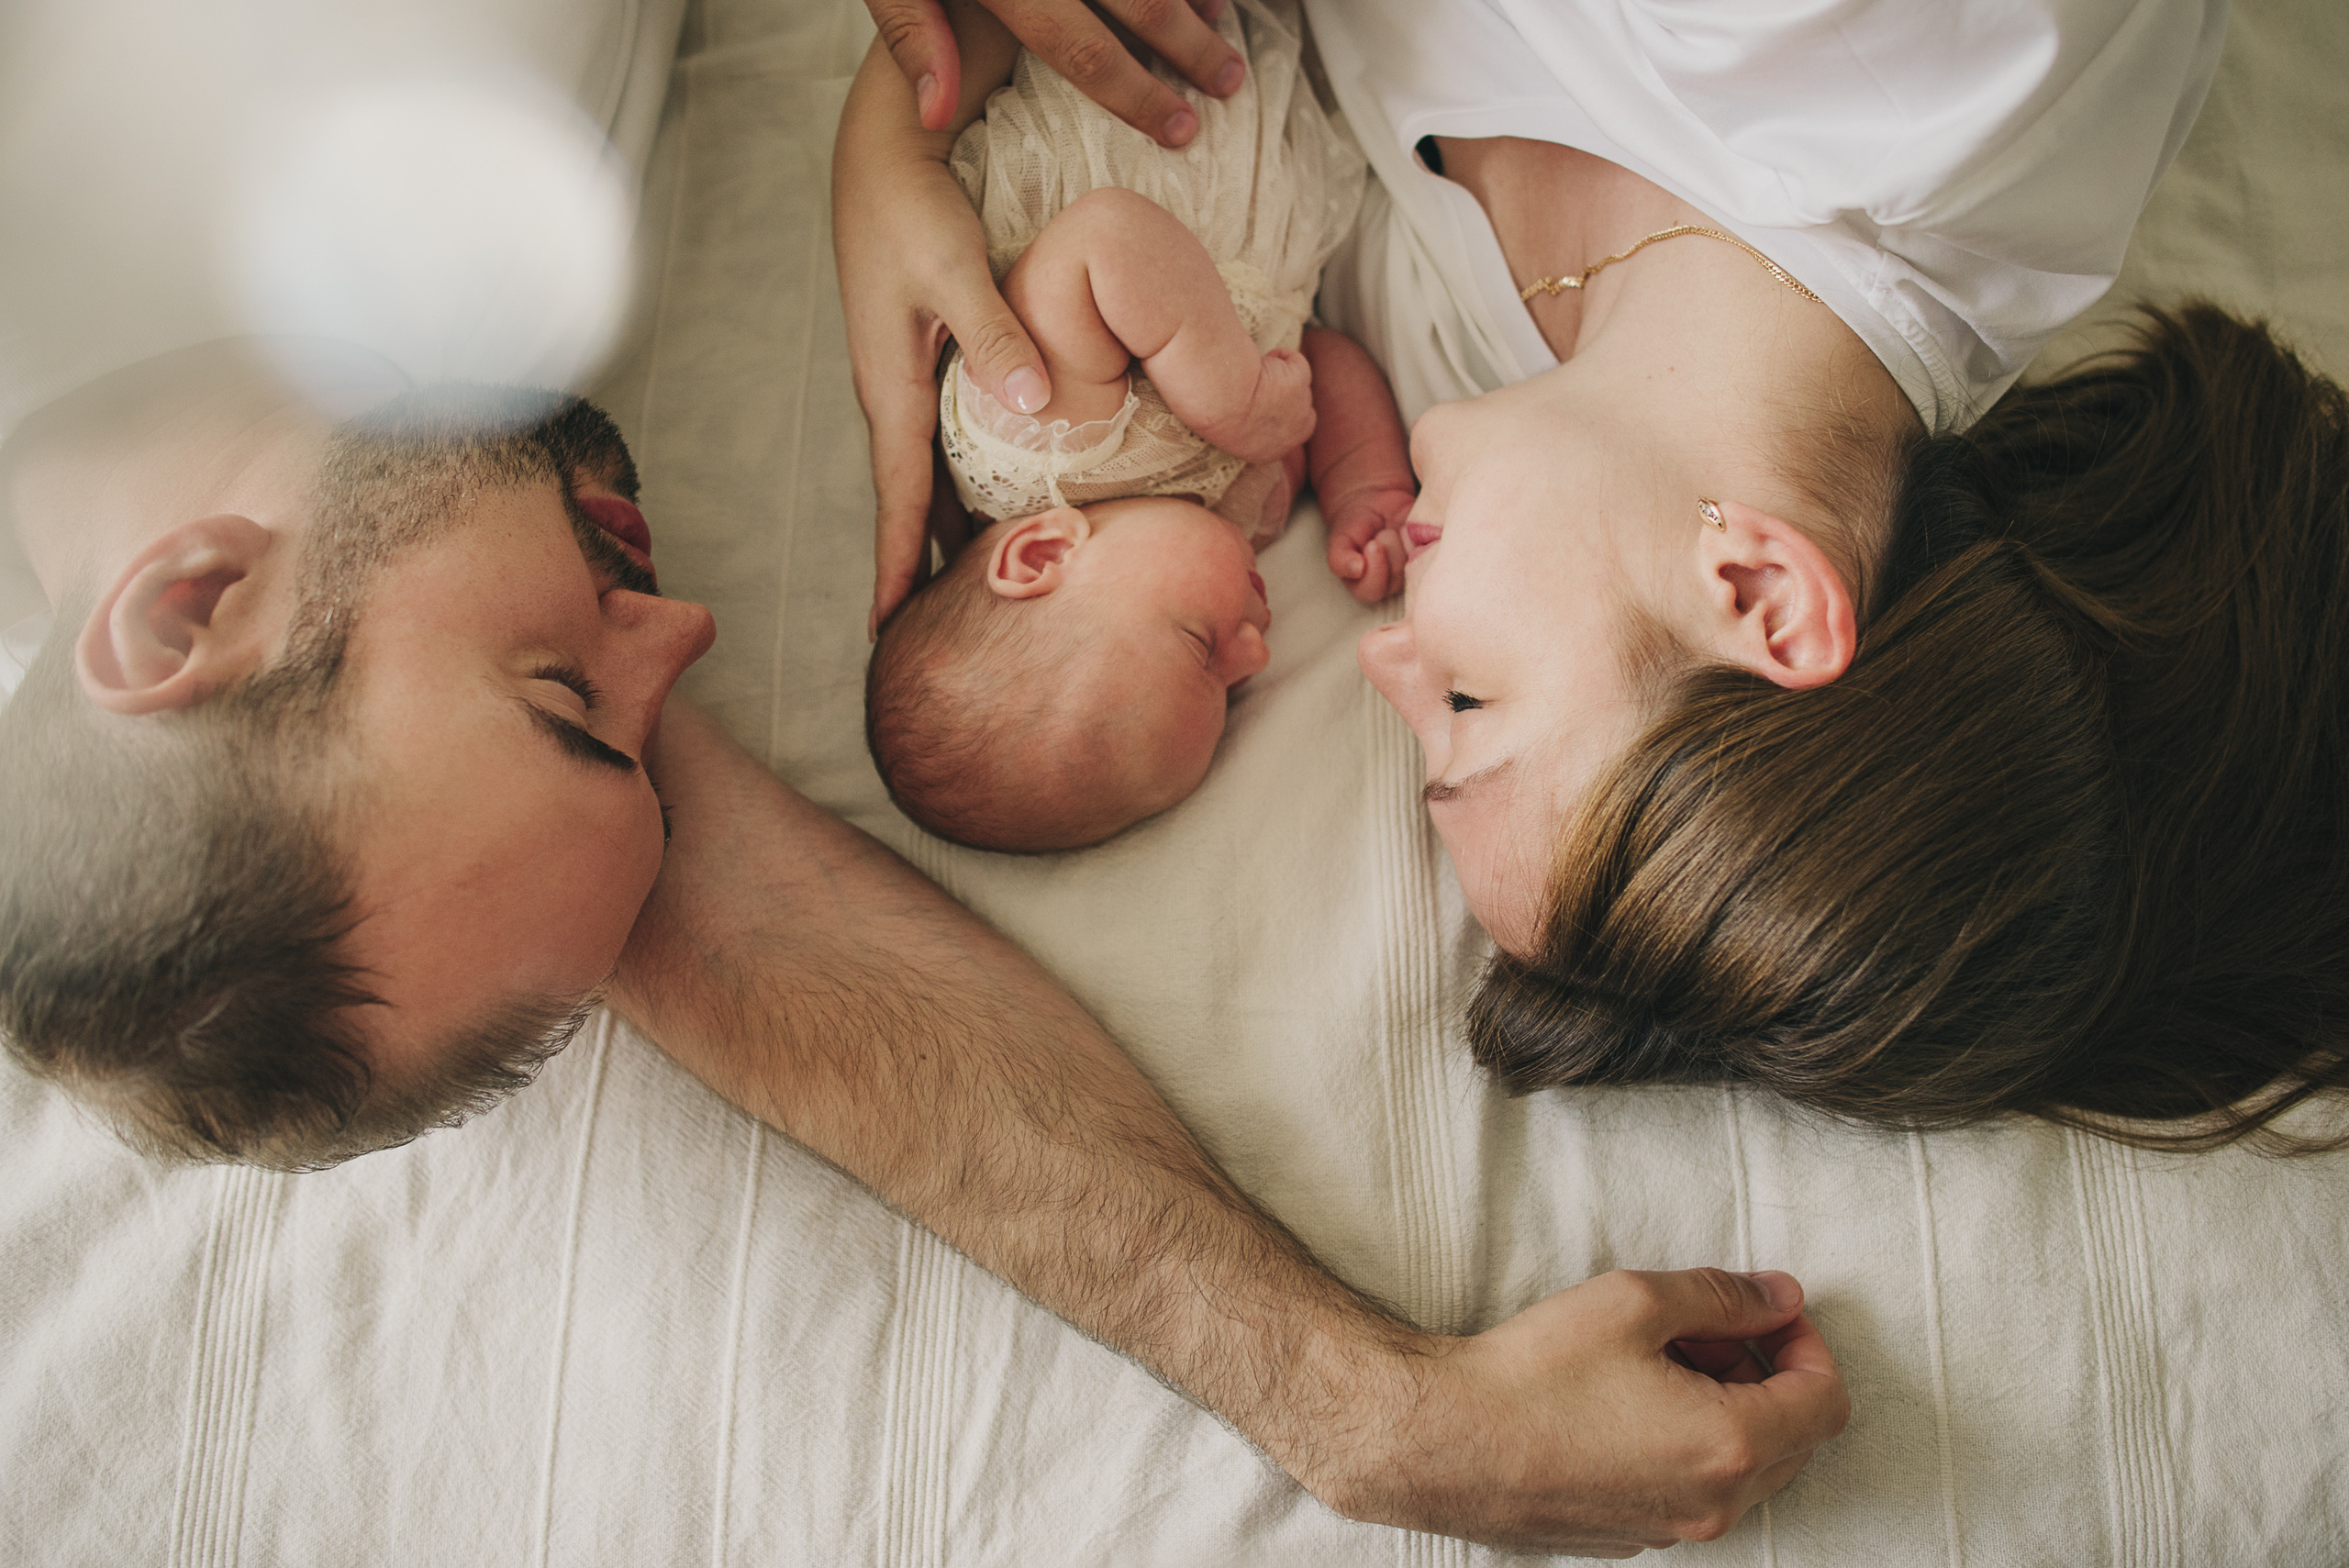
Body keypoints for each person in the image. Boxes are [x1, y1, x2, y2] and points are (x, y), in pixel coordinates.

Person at [0, 333, 1848, 1554]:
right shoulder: (388, 569)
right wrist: (1370, 1412)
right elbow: (755, 934)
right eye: (630, 737)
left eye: (567, 686)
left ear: (196, 601)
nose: (686, 629)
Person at [851, 0, 2349, 1151]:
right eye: (1470, 700)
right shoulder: (1931, 58)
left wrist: (900, 125)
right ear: (1757, 589)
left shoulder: (1454, 361)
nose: (1383, 654)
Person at [859, 0, 1416, 850]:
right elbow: (1314, 367)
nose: (1255, 654)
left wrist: (1229, 395)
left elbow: (1103, 240)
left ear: (1041, 554)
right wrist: (1365, 482)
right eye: (1233, 688)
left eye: (1203, 649)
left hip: (1124, 76)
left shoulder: (1035, 449)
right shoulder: (1239, 517)